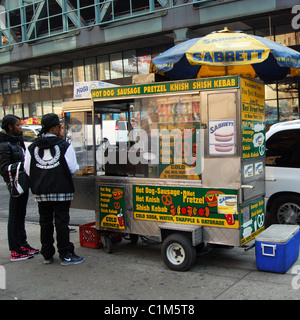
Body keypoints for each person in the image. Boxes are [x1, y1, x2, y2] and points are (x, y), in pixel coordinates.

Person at [24, 113, 84, 266]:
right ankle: (65, 254)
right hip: (61, 190)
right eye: (59, 126)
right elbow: (73, 168)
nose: (60, 129)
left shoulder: (32, 147)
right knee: (62, 223)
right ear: (53, 128)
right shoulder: (64, 145)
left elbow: (27, 169)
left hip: (41, 191)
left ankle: (47, 254)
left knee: (45, 223)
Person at [0, 114, 39, 261]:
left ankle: (22, 243)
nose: (20, 127)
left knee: (21, 214)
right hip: (14, 183)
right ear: (10, 127)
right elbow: (3, 168)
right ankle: (15, 249)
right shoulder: (4, 144)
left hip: (23, 181)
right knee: (14, 216)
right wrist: (23, 166)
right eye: (17, 125)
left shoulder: (17, 141)